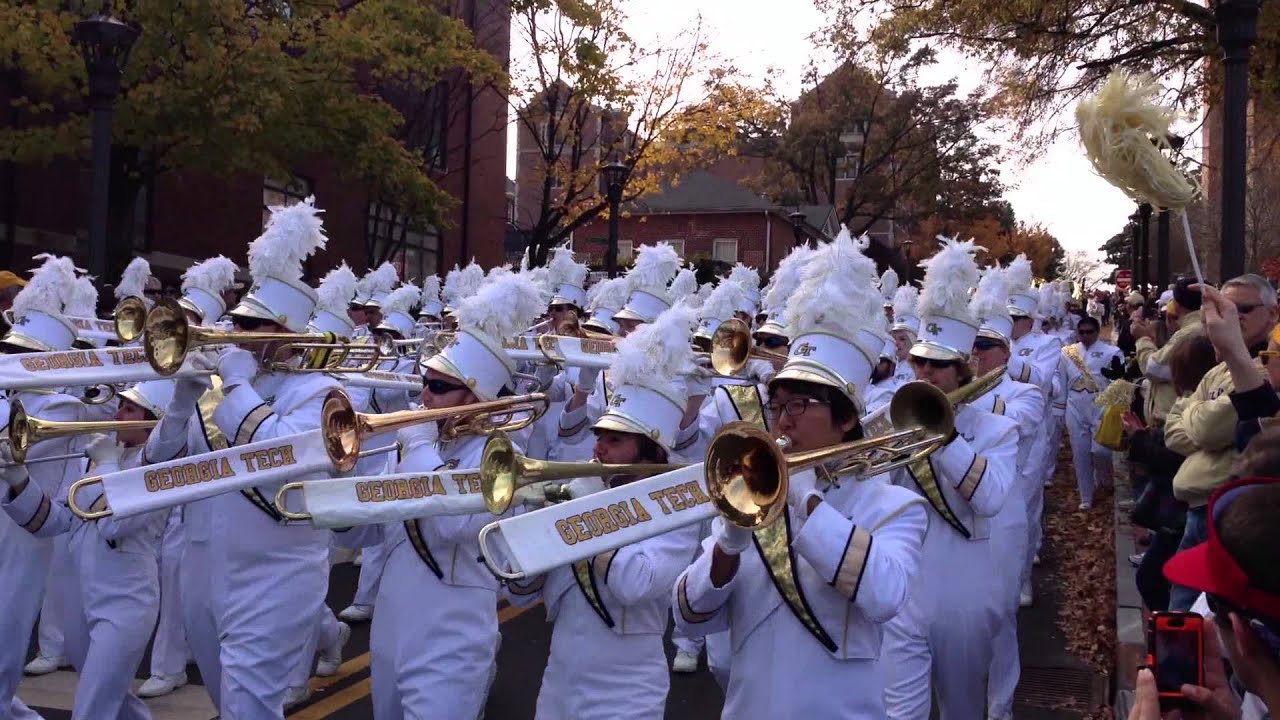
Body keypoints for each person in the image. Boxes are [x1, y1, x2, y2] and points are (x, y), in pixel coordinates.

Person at [674, 231, 928, 719]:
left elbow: (885, 594)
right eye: (778, 404)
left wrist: (807, 501)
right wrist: (726, 546)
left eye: (800, 405)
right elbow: (688, 615)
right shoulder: (752, 495)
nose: (783, 418)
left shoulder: (892, 506)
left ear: (846, 418)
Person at [370, 271, 543, 719]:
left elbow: (451, 526)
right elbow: (365, 534)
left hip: (451, 637)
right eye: (426, 382)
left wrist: (420, 444)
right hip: (390, 628)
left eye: (440, 387)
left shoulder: (500, 455)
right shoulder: (415, 442)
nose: (424, 394)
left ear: (478, 396)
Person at [520, 306, 702, 720]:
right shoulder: (583, 491)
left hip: (627, 688)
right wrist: (525, 528)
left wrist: (582, 514)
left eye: (615, 440)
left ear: (651, 450)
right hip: (559, 676)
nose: (599, 449)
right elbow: (520, 591)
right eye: (599, 435)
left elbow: (635, 583)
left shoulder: (675, 505)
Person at [876, 238, 1019, 720]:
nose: (925, 371)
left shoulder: (998, 428)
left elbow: (992, 498)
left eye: (938, 364)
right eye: (919, 361)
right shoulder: (892, 414)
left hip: (965, 586)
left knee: (961, 709)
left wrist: (945, 433)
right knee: (901, 713)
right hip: (901, 582)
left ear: (963, 369)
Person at [3, 381, 175, 720]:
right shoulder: (95, 462)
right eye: (121, 404)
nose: (118, 413)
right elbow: (55, 521)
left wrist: (109, 467)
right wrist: (19, 479)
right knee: (116, 702)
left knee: (93, 705)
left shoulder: (156, 473)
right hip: (82, 596)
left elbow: (118, 524)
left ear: (152, 422)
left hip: (127, 599)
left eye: (130, 409)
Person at [0, 255, 86, 720]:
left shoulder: (61, 407)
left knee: (2, 650)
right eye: (10, 348)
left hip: (19, 537)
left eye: (21, 352)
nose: (10, 359)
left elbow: (46, 512)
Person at [1165, 274, 1279, 610]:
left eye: (1242, 308)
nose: (1231, 317)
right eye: (1223, 309)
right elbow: (1175, 430)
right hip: (1198, 509)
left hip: (1244, 517)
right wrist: (1201, 418)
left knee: (1218, 619)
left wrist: (1201, 418)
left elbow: (1208, 430)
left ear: (1272, 314)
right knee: (1181, 610)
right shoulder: (1217, 371)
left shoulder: (1264, 371)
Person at [1063, 315, 1124, 510]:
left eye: (1089, 332)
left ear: (1097, 332)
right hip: (1075, 404)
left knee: (1100, 451)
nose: (1085, 336)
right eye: (1081, 332)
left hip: (1100, 404)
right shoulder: (1067, 353)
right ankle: (1086, 496)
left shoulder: (1111, 352)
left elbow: (1119, 381)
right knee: (1080, 453)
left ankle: (1104, 477)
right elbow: (1061, 381)